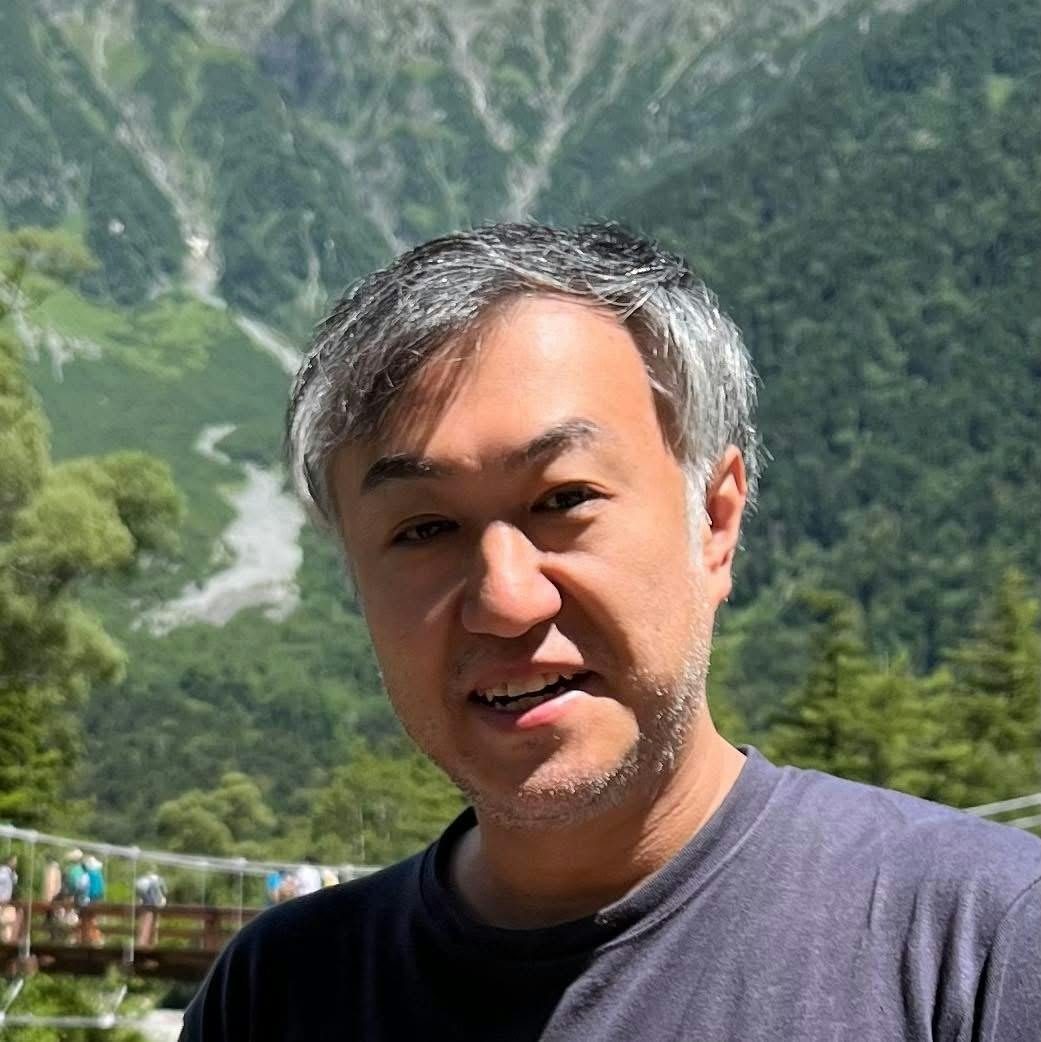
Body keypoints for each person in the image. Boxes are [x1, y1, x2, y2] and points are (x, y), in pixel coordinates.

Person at [181, 224, 1040, 1041]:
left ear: (714, 520)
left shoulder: (984, 946)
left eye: (563, 500)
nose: (506, 599)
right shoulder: (277, 994)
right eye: (423, 529)